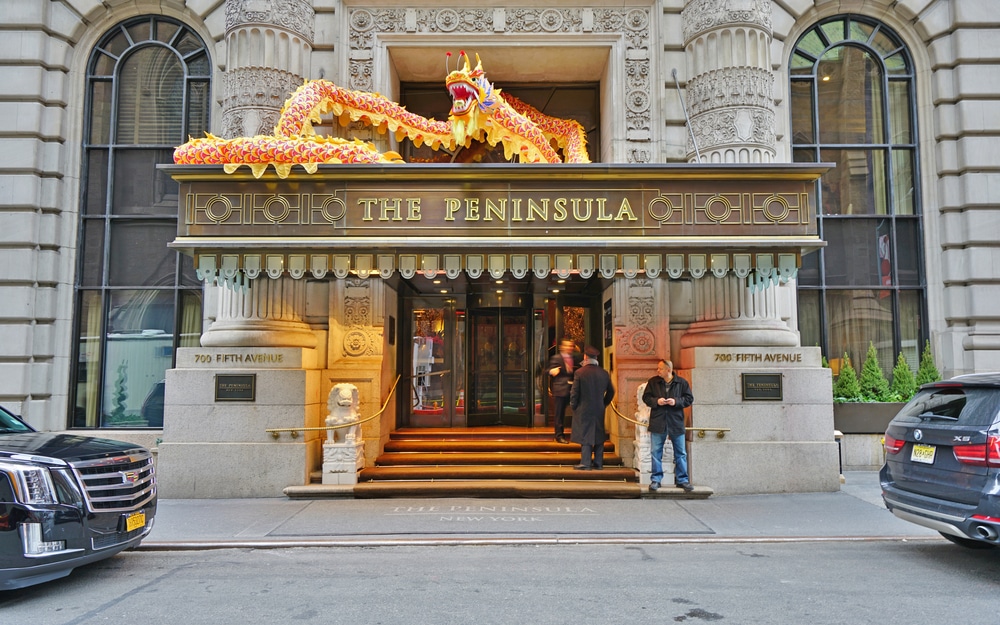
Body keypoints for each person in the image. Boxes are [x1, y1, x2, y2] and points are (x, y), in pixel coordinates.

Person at [642, 359, 694, 492]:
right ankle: (656, 479)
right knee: (655, 452)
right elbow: (646, 398)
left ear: (668, 370)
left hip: (675, 422)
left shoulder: (681, 383)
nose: (657, 371)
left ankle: (683, 480)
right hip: (658, 421)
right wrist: (656, 401)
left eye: (660, 368)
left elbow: (689, 399)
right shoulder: (653, 382)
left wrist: (676, 401)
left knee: (680, 453)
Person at [569, 345, 615, 470]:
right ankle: (599, 463)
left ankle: (585, 462)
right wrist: (604, 403)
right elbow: (611, 391)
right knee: (599, 433)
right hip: (599, 408)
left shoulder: (580, 372)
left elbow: (574, 392)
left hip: (583, 408)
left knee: (585, 434)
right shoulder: (604, 373)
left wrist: (573, 406)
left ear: (585, 357)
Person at [547, 338, 579, 443]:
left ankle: (577, 434)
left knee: (578, 411)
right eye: (567, 346)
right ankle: (559, 436)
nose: (569, 348)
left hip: (573, 389)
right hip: (560, 389)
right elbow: (547, 371)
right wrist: (552, 371)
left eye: (571, 346)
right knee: (559, 414)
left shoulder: (576, 357)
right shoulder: (556, 358)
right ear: (562, 347)